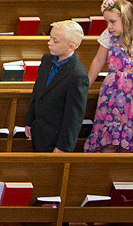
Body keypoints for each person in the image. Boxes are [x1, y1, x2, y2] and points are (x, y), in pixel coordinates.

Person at [82, 0, 133, 153]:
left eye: (112, 22)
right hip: (112, 91)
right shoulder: (109, 36)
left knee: (130, 138)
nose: (109, 26)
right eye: (107, 22)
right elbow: (98, 61)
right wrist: (86, 85)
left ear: (126, 19)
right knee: (109, 138)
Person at [24, 20, 90, 152]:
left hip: (56, 137)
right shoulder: (47, 60)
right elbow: (37, 92)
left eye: (55, 41)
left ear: (71, 47)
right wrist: (29, 120)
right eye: (50, 38)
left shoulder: (77, 75)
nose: (49, 43)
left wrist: (63, 147)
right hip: (39, 130)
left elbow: (74, 117)